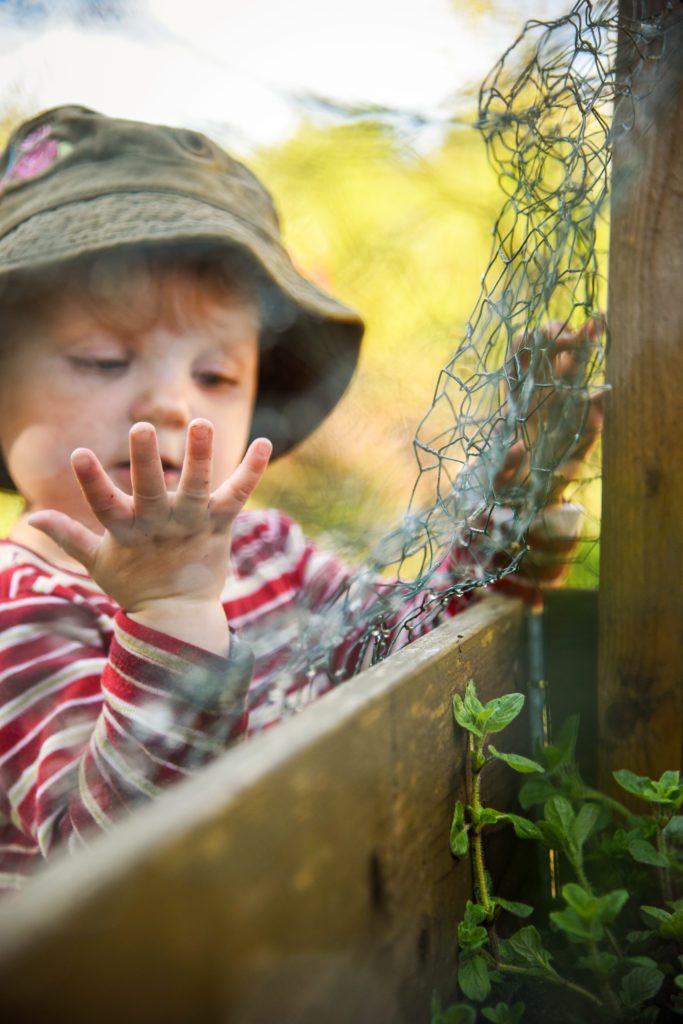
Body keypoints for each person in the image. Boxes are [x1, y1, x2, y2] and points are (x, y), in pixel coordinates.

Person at [0, 105, 601, 894]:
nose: (173, 404)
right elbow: (109, 867)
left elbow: (394, 647)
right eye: (102, 358)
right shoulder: (22, 607)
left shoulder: (267, 548)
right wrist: (171, 611)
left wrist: (509, 511)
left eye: (215, 376)